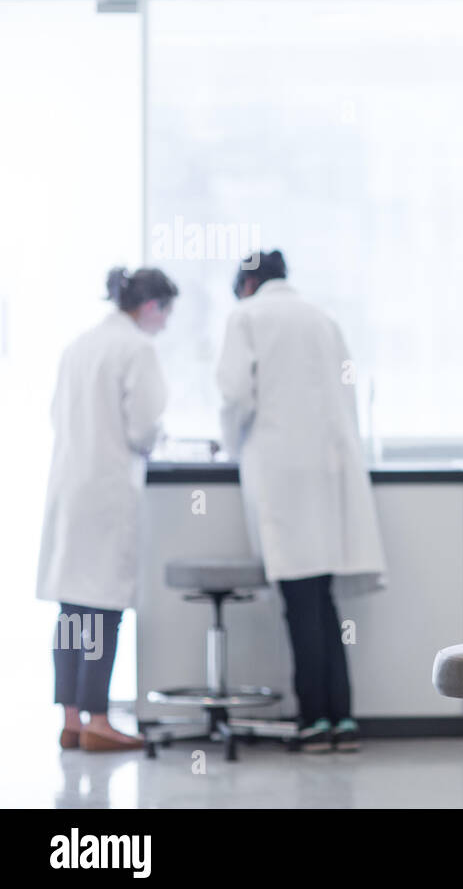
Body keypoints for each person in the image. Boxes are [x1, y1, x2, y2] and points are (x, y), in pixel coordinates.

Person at [216, 249, 385, 754]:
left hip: (281, 473)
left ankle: (314, 721)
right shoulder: (322, 318)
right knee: (322, 600)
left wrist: (228, 444)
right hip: (330, 472)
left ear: (246, 283)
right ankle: (342, 719)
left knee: (299, 601)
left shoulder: (245, 316)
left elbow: (234, 397)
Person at [37, 266, 179, 752]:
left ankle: (72, 718)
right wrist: (159, 436)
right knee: (102, 610)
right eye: (166, 313)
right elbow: (142, 429)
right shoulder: (136, 348)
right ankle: (100, 718)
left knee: (72, 607)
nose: (164, 324)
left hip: (70, 485)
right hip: (108, 491)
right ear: (151, 306)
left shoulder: (78, 346)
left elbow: (56, 414)